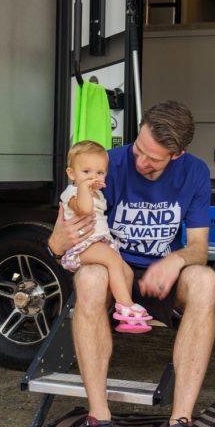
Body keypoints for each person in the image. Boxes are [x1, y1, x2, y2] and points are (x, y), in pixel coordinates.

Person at [47, 100, 215, 427]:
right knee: (90, 278)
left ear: (178, 154)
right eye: (139, 149)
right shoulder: (105, 162)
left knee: (205, 280)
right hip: (113, 275)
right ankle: (99, 422)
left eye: (153, 159)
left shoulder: (195, 173)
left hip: (160, 277)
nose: (141, 161)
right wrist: (56, 240)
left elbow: (200, 249)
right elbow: (60, 242)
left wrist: (174, 260)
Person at [58, 140, 150, 333]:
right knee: (113, 260)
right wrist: (84, 187)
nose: (93, 177)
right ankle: (126, 306)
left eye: (99, 172)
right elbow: (84, 209)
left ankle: (120, 312)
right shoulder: (72, 193)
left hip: (99, 243)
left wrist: (90, 188)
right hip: (81, 246)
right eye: (86, 172)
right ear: (71, 174)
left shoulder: (98, 195)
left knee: (127, 272)